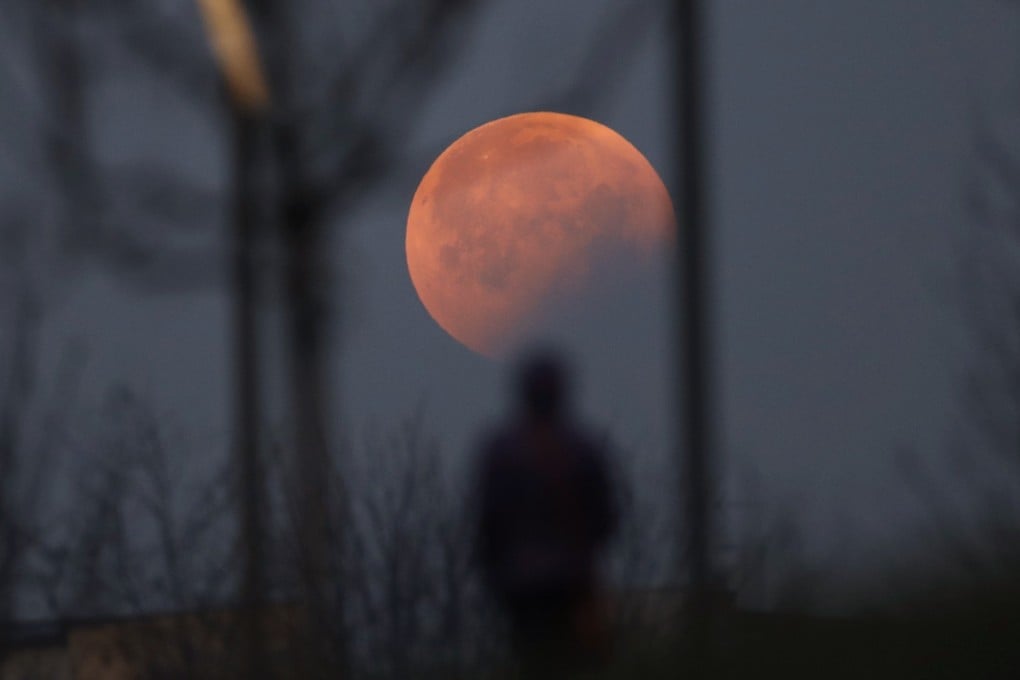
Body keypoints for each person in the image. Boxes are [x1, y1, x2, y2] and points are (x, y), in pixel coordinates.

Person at [474, 349, 617, 675]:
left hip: (521, 585)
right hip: (572, 580)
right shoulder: (582, 450)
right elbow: (607, 518)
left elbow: (487, 522)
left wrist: (493, 571)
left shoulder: (502, 452)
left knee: (532, 661)